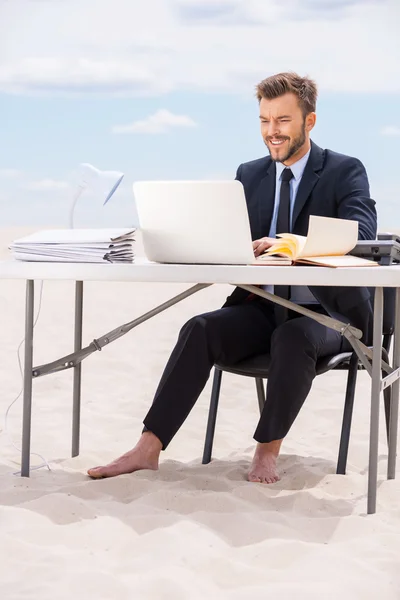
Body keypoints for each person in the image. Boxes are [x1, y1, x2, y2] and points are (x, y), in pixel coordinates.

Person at [88, 71, 377, 484]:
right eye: (264, 121)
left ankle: (266, 452)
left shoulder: (344, 171)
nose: (271, 132)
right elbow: (232, 240)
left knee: (292, 338)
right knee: (200, 328)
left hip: (326, 313)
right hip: (264, 306)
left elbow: (361, 235)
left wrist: (286, 242)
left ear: (309, 122)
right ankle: (147, 448)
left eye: (283, 121)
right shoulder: (250, 173)